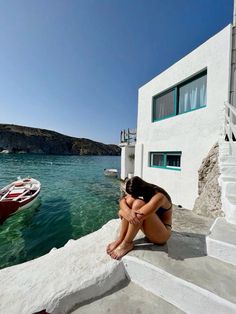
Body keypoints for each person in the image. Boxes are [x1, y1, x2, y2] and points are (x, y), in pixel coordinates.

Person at [106, 176, 172, 260]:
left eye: (134, 195)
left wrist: (122, 212)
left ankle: (127, 243)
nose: (132, 196)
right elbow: (123, 200)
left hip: (162, 235)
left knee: (138, 204)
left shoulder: (159, 197)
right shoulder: (146, 189)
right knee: (131, 202)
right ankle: (121, 239)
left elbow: (137, 218)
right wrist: (128, 210)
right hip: (152, 228)